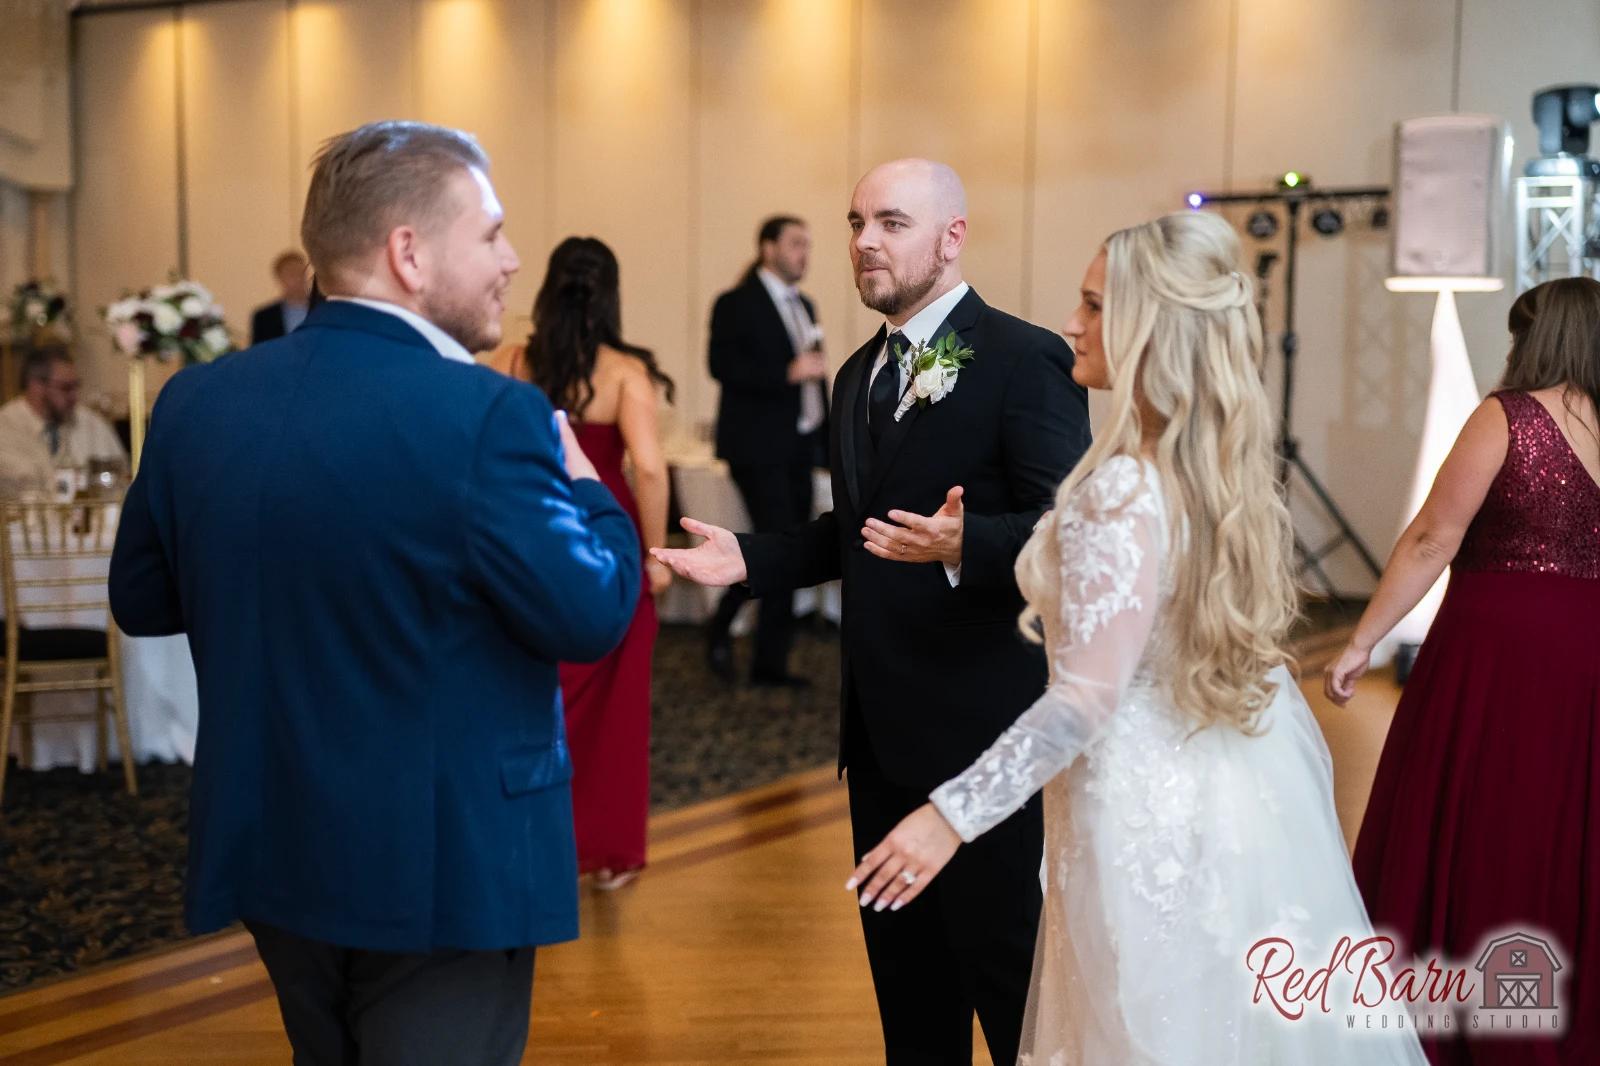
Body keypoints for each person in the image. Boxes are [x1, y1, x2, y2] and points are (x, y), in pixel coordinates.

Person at [108, 121, 641, 1065]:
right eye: (490, 233)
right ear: (408, 252)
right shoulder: (487, 415)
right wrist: (591, 489)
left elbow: (144, 600)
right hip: (444, 861)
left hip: (273, 838)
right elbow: (592, 612)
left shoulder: (196, 402)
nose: (512, 260)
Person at [849, 211, 1427, 1064]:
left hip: (1140, 813)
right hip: (1225, 793)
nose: (1072, 324)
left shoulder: (1124, 488)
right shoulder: (1205, 470)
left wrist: (949, 815)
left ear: (1150, 325)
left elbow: (1085, 696)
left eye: (1091, 305)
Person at [654, 159, 1091, 1065]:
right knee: (911, 1004)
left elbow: (1067, 529)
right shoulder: (857, 373)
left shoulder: (1022, 357)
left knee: (1010, 993)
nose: (863, 242)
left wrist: (963, 544)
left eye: (891, 223)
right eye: (856, 222)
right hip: (879, 742)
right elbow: (853, 529)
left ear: (953, 236)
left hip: (985, 744)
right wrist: (752, 559)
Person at [1327, 277, 1600, 1066]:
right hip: (1585, 657)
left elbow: (1430, 541)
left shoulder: (1507, 417)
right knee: (1565, 828)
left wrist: (1360, 641)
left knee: (1486, 821)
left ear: (1537, 339)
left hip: (1498, 660)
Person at [489, 236, 672, 890]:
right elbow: (647, 469)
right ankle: (607, 851)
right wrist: (656, 558)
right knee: (617, 709)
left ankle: (528, 835)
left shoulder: (510, 362)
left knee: (536, 696)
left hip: (533, 535)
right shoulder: (625, 372)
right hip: (604, 542)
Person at [704, 215, 829, 686]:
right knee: (776, 543)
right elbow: (721, 366)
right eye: (796, 243)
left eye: (808, 245)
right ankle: (733, 634)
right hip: (757, 448)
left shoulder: (806, 305)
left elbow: (815, 378)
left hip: (799, 446)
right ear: (767, 247)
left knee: (788, 548)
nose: (804, 254)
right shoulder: (736, 303)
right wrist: (785, 373)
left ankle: (766, 658)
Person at [0, 347, 127, 493]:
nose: (74, 397)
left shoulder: (91, 424)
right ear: (36, 386)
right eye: (66, 388)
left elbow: (120, 477)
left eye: (76, 386)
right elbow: (22, 483)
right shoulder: (6, 427)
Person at [249, 250, 312, 344]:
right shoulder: (264, 317)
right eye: (292, 274)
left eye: (302, 272)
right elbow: (259, 353)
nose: (298, 278)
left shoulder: (323, 309)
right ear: (280, 278)